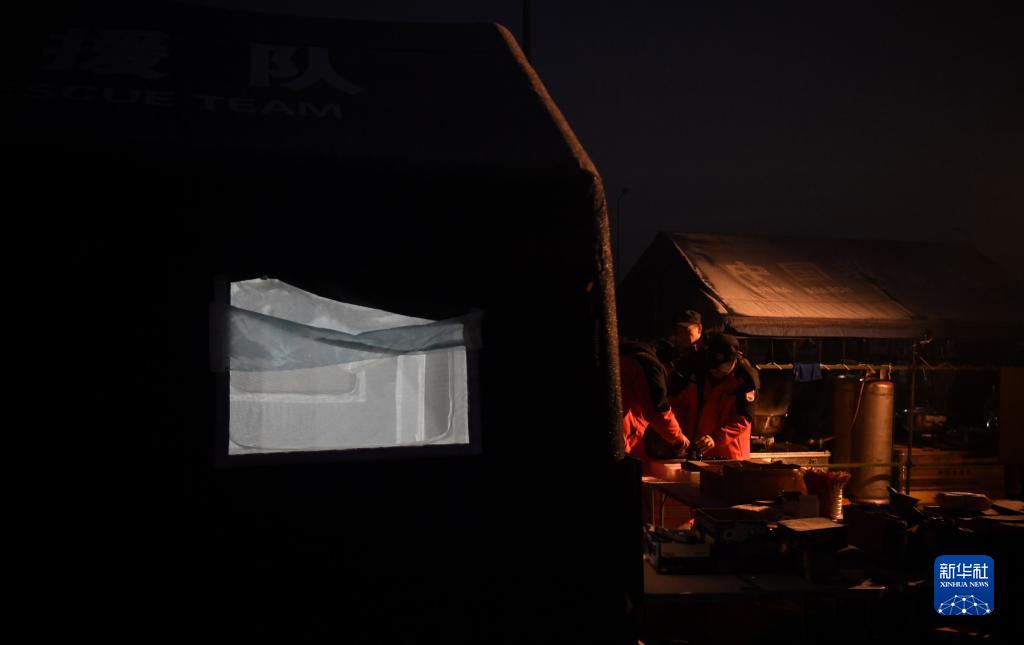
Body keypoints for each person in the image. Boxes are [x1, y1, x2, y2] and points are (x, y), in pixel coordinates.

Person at [668, 332, 756, 460]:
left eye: (721, 367)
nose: (716, 371)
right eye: (713, 366)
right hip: (699, 453)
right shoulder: (697, 374)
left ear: (733, 361)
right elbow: (678, 405)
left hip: (730, 456)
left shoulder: (745, 380)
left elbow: (743, 420)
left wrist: (715, 439)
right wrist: (678, 436)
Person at [619, 336, 690, 461]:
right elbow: (659, 411)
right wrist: (678, 438)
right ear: (670, 365)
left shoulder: (628, 358)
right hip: (615, 437)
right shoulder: (650, 367)